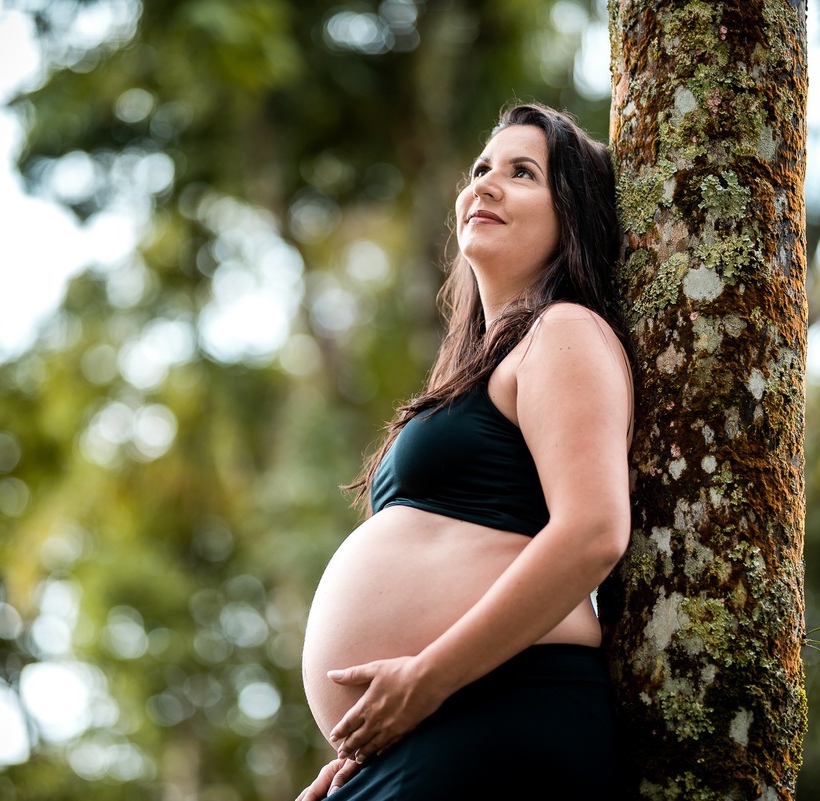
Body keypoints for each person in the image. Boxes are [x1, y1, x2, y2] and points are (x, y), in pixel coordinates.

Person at [295, 102, 634, 800]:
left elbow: (594, 532)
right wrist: (367, 742)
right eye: (481, 169)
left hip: (501, 707)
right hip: (427, 728)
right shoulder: (479, 369)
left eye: (522, 172)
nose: (485, 184)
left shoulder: (564, 330)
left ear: (572, 213)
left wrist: (426, 679)